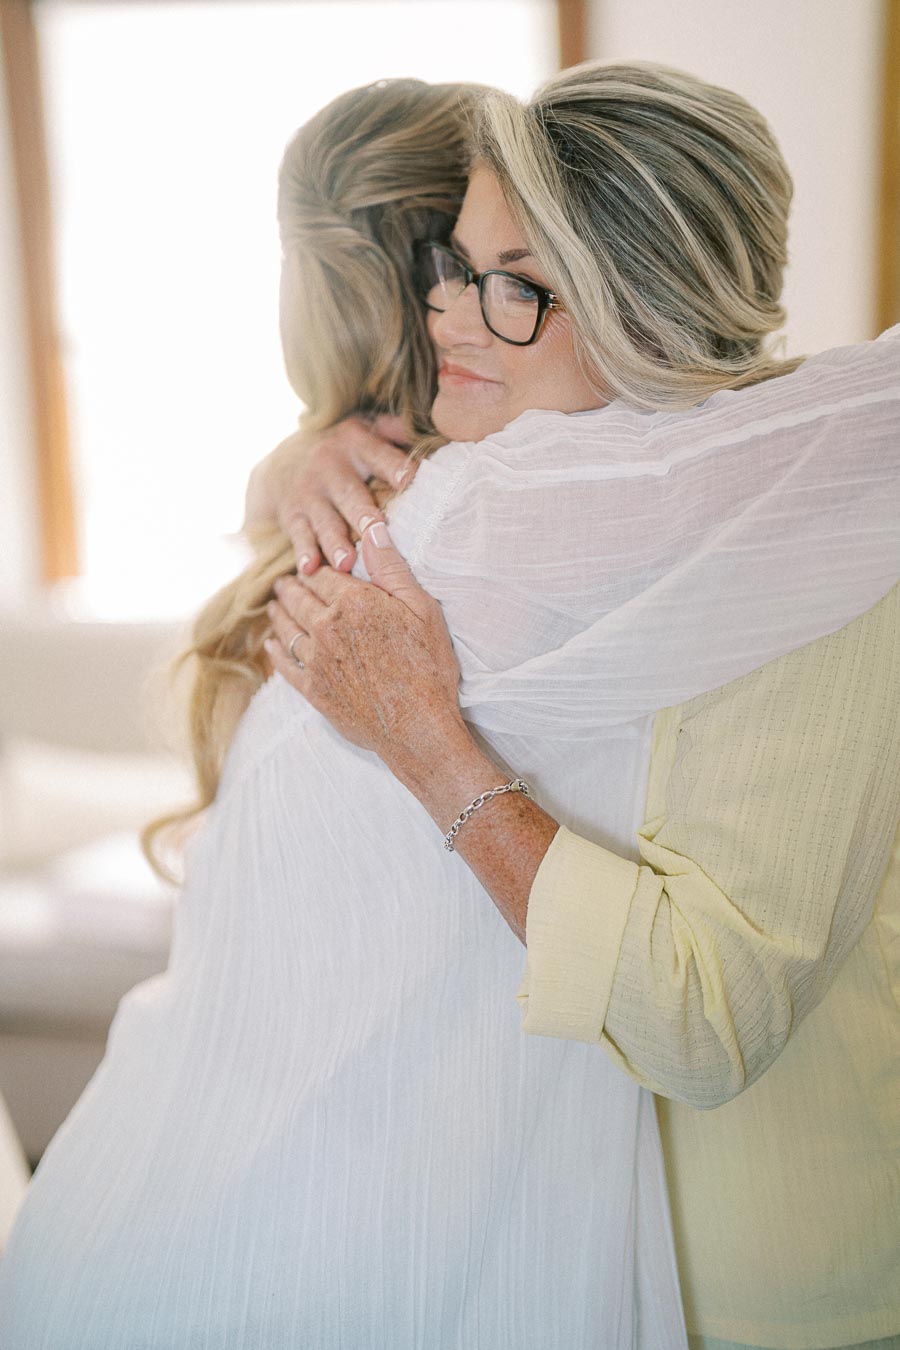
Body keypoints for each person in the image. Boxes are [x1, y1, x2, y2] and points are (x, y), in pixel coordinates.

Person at [0, 76, 688, 1348]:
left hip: (166, 1195)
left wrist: (284, 470)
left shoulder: (378, 527)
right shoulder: (487, 523)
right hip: (333, 1221)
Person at [258, 64, 900, 1350]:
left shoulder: (814, 559)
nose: (445, 305)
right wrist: (297, 447)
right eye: (455, 259)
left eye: (512, 282)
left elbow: (704, 1020)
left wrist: (427, 744)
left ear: (647, 312)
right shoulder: (498, 501)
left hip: (757, 1291)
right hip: (539, 1255)